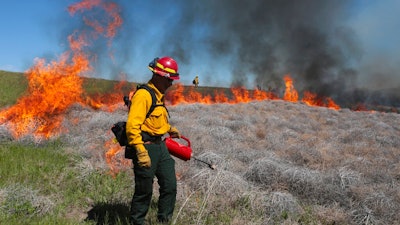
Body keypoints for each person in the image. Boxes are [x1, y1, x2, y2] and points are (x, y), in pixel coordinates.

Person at [126, 56, 181, 225]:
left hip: (160, 147)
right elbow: (132, 126)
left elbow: (154, 119)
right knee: (144, 191)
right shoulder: (144, 95)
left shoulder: (158, 95)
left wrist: (169, 129)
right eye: (168, 79)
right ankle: (137, 222)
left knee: (170, 185)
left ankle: (164, 220)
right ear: (158, 76)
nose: (171, 83)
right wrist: (141, 152)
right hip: (146, 147)